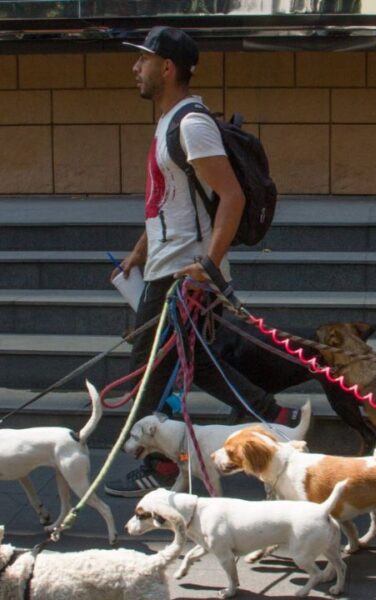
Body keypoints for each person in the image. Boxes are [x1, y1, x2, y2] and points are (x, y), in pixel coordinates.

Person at [104, 26, 295, 497]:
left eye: (143, 60)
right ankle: (271, 414)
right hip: (167, 267)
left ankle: (156, 464)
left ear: (167, 68)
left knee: (149, 370)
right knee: (194, 363)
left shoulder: (191, 123)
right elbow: (170, 203)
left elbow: (229, 198)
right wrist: (139, 251)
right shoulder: (169, 121)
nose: (135, 68)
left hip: (184, 276)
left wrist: (207, 268)